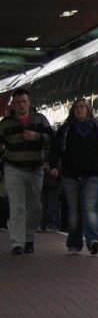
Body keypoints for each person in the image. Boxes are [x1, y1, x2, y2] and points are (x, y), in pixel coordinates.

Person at [49, 98, 98, 255]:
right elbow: (56, 149)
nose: (79, 110)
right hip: (70, 175)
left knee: (89, 208)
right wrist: (53, 166)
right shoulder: (66, 129)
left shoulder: (97, 128)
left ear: (88, 109)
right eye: (76, 107)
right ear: (72, 111)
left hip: (92, 174)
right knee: (74, 211)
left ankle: (93, 240)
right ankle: (74, 243)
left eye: (82, 107)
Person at [0, 88, 54, 254]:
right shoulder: (6, 124)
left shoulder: (40, 120)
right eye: (18, 102)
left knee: (35, 207)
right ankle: (18, 243)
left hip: (35, 168)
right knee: (17, 207)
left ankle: (29, 237)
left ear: (29, 103)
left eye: (24, 102)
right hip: (13, 167)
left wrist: (36, 137)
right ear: (13, 105)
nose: (21, 105)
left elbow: (53, 138)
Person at [39, 163, 61, 231]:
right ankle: (43, 224)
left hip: (52, 183)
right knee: (43, 206)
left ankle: (52, 224)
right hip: (44, 183)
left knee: (52, 206)